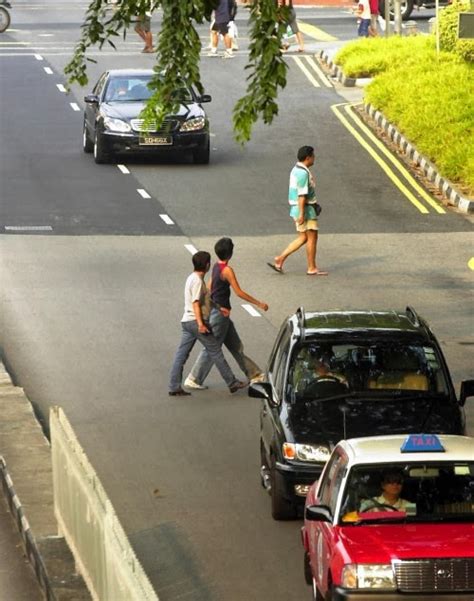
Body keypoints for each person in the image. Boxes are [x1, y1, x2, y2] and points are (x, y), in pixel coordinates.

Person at [185, 238, 268, 390]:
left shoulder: (216, 266)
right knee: (212, 347)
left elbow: (209, 288)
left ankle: (255, 374)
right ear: (230, 254)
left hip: (220, 313)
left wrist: (212, 307)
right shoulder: (227, 270)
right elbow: (239, 292)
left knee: (235, 346)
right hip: (220, 315)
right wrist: (259, 303)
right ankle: (194, 378)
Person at [168, 251, 246, 396]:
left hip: (186, 322)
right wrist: (201, 324)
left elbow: (206, 299)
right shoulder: (198, 281)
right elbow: (196, 303)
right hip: (195, 322)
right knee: (215, 351)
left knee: (181, 355)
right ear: (208, 265)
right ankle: (232, 382)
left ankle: (174, 386)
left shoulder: (191, 278)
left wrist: (218, 308)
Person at [267, 146, 328, 276]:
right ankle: (311, 267)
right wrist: (302, 213)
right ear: (308, 158)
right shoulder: (302, 173)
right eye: (313, 155)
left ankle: (280, 259)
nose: (314, 158)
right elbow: (302, 195)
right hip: (305, 209)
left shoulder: (296, 169)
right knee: (312, 237)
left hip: (298, 208)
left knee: (303, 237)